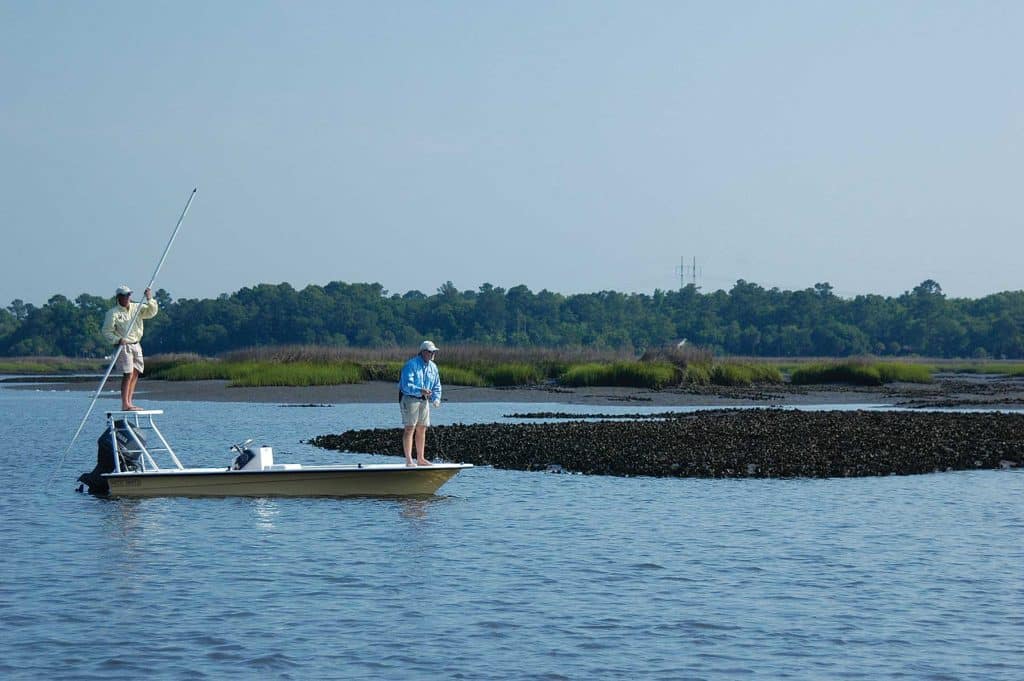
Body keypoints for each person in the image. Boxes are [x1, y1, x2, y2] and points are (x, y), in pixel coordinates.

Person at [102, 284, 159, 411]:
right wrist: (117, 340)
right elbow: (106, 332)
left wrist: (150, 298)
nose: (127, 297)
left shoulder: (137, 307)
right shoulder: (113, 313)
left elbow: (152, 312)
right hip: (123, 345)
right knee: (127, 373)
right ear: (118, 297)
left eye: (129, 294)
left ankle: (130, 401)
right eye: (124, 295)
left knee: (136, 372)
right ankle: (125, 404)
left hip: (136, 344)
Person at [398, 340, 442, 466]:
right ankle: (408, 460)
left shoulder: (433, 367)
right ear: (423, 352)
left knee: (422, 428)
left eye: (434, 351)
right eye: (430, 351)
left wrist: (436, 399)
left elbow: (437, 385)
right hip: (410, 399)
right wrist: (420, 390)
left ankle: (421, 458)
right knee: (409, 428)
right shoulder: (411, 365)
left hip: (424, 401)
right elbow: (406, 386)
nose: (432, 353)